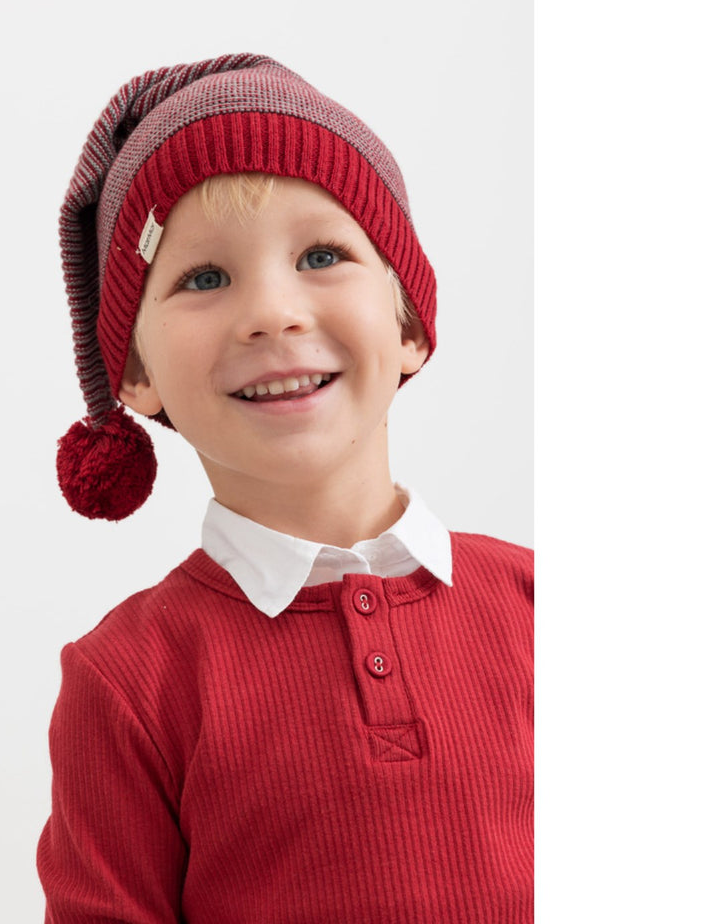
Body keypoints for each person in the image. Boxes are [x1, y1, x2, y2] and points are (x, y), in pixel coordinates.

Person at [38, 54, 533, 923]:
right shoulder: (126, 680)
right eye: (204, 278)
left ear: (409, 324)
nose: (273, 312)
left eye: (322, 255)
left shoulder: (543, 608)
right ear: (137, 375)